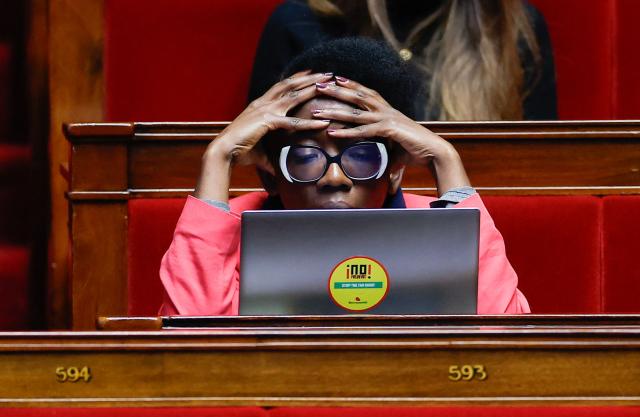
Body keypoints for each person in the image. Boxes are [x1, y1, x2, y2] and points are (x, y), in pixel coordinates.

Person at [160, 38, 530, 316]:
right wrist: (218, 155)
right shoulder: (230, 230)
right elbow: (192, 342)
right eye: (306, 157)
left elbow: (499, 335)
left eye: (363, 155)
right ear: (271, 177)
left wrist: (446, 160)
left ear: (395, 171)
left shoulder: (439, 226)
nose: (334, 177)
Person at [248, 0, 557, 121]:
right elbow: (260, 164)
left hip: (462, 229)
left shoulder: (511, 29)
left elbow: (538, 172)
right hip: (331, 231)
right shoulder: (302, 22)